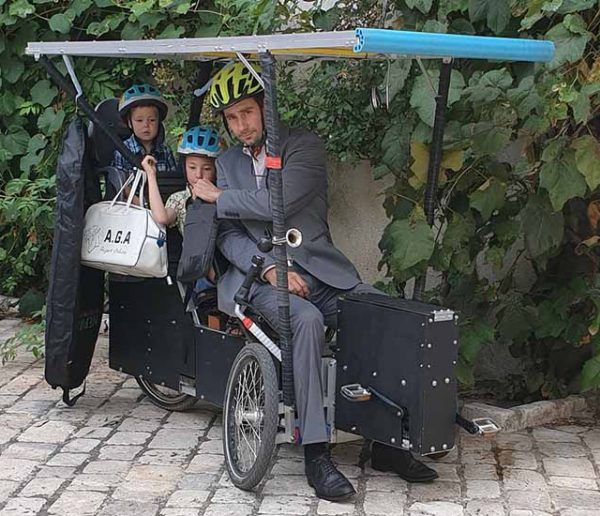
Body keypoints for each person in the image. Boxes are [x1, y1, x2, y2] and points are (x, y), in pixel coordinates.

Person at [193, 62, 438, 502]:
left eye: (247, 112)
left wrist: (219, 196)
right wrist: (268, 267)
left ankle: (388, 443)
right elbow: (227, 235)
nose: (241, 125)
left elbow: (276, 203)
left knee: (383, 312)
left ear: (266, 107)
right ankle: (316, 454)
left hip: (321, 271)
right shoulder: (227, 162)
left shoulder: (302, 145)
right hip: (259, 280)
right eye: (231, 118)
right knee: (303, 320)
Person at [140, 125, 221, 285]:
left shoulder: (225, 194)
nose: (198, 175)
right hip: (199, 268)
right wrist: (151, 175)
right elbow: (162, 217)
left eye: (207, 168)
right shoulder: (179, 198)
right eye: (192, 167)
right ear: (183, 167)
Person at [112, 83, 177, 177]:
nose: (146, 125)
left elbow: (174, 182)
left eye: (152, 120)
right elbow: (119, 185)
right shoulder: (122, 152)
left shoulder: (166, 152)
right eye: (139, 120)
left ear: (159, 122)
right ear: (130, 123)